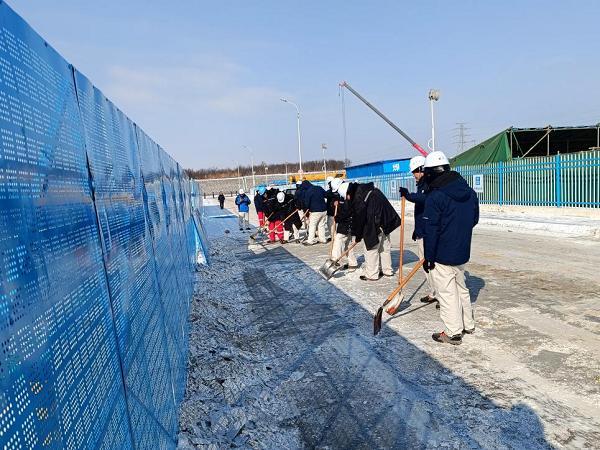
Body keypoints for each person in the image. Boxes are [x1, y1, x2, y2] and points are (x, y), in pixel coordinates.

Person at [422, 151, 479, 345]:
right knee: (461, 287)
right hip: (462, 250)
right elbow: (474, 219)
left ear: (431, 172)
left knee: (447, 293)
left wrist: (429, 257)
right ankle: (468, 324)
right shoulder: (469, 191)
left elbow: (431, 230)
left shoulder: (435, 196)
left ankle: (453, 332)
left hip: (442, 253)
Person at [399, 155, 438, 306]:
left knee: (431, 265)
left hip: (430, 232)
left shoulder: (429, 184)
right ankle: (434, 292)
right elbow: (421, 209)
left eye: (414, 172)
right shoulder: (422, 184)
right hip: (423, 230)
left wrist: (408, 195)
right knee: (426, 265)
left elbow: (424, 199)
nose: (413, 175)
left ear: (421, 170)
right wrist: (417, 229)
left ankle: (441, 295)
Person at [346, 181, 401, 281]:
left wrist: (358, 236)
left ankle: (372, 274)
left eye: (347, 197)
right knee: (384, 248)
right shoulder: (373, 191)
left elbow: (360, 219)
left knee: (371, 250)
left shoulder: (359, 197)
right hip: (385, 223)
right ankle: (387, 270)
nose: (347, 199)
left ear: (349, 192)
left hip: (374, 224)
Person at [331, 180, 358, 269]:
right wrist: (336, 204)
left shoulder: (349, 195)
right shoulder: (345, 192)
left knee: (338, 240)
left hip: (347, 223)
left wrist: (337, 218)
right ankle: (352, 263)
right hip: (349, 223)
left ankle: (334, 260)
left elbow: (347, 211)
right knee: (348, 244)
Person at [299, 180, 328, 245]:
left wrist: (307, 210)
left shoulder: (308, 192)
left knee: (312, 225)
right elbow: (326, 195)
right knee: (321, 225)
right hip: (324, 210)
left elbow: (306, 203)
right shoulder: (319, 187)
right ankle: (323, 239)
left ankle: (310, 240)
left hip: (315, 211)